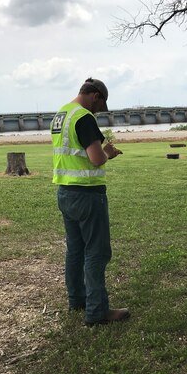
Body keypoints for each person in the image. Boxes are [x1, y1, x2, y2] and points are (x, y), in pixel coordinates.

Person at [51, 77, 130, 326]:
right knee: (97, 252)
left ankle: (77, 299)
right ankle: (97, 311)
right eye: (100, 104)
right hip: (87, 194)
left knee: (75, 250)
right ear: (95, 95)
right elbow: (96, 158)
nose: (98, 110)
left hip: (65, 191)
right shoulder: (84, 117)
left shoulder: (61, 114)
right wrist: (109, 152)